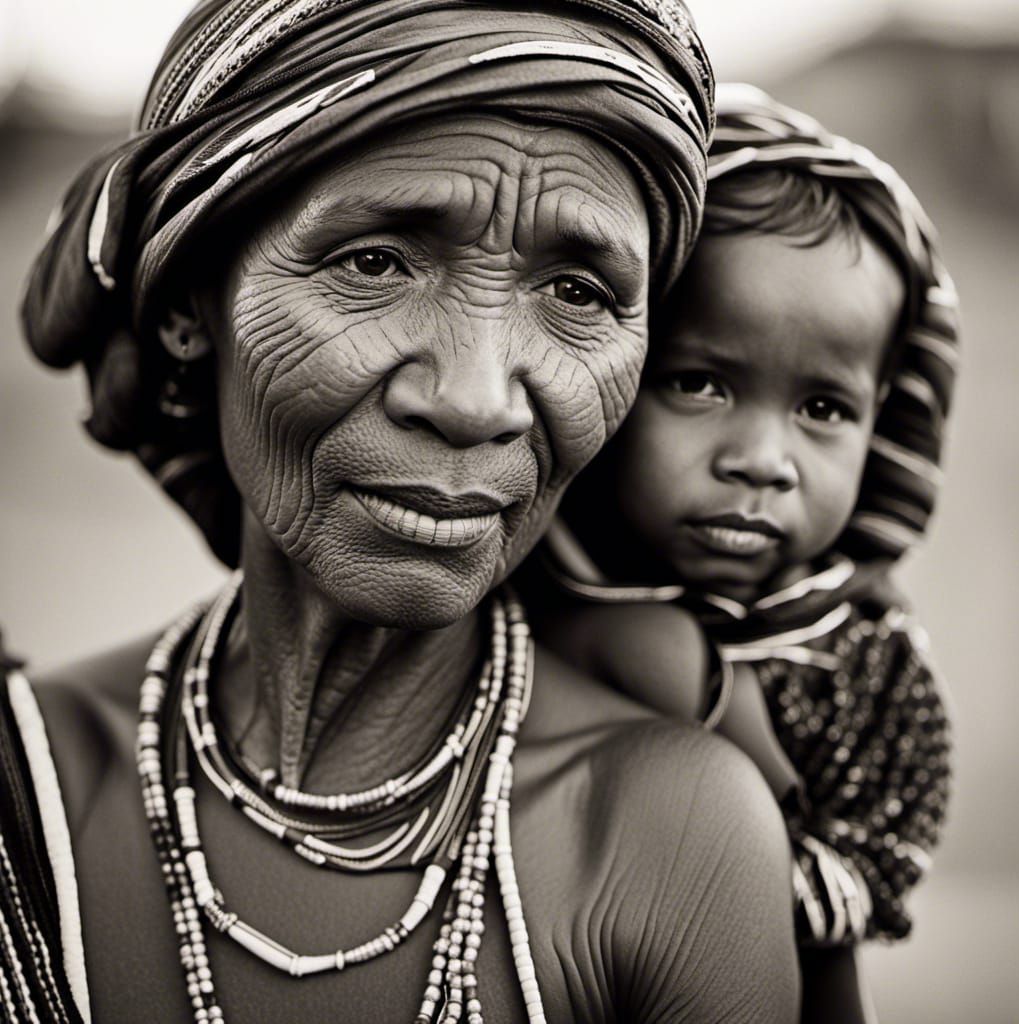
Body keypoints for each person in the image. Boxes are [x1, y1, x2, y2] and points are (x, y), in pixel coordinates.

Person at [4, 6, 800, 1023]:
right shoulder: (25, 783)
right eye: (376, 262)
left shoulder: (669, 838)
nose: (475, 398)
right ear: (191, 303)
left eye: (576, 289)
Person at [539, 84, 956, 1017]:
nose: (763, 462)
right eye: (698, 383)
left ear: (889, 426)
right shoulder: (496, 587)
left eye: (824, 408)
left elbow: (830, 946)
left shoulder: (861, 664)